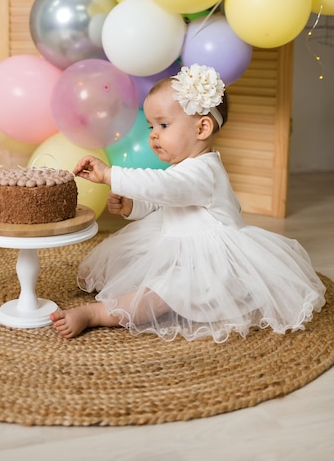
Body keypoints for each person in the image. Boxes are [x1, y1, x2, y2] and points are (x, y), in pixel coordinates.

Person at [50, 64, 326, 342]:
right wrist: (133, 206)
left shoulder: (204, 172)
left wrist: (111, 175)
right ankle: (123, 298)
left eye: (164, 125)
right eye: (151, 126)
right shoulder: (183, 170)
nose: (153, 134)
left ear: (202, 128)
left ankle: (97, 314)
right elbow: (164, 202)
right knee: (133, 269)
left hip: (210, 265)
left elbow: (164, 188)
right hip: (179, 249)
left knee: (162, 295)